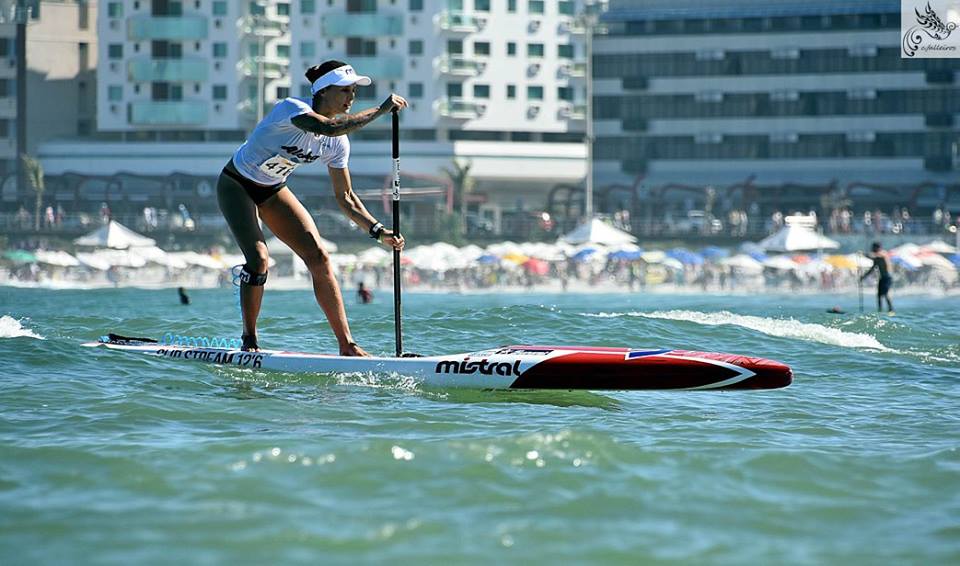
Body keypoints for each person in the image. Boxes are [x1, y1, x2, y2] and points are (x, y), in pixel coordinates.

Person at [217, 59, 406, 354]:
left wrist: (377, 230)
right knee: (259, 258)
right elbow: (328, 127)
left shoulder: (338, 144)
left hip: (272, 190)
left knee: (319, 257)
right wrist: (381, 111)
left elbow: (345, 197)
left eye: (354, 91)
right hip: (236, 184)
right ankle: (249, 340)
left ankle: (347, 345)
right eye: (345, 90)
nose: (351, 97)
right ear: (323, 91)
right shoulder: (291, 109)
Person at [860, 241, 894, 313]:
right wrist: (863, 277)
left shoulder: (883, 254)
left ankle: (891, 310)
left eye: (873, 248)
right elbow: (872, 269)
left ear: (878, 248)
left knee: (885, 294)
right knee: (878, 295)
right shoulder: (876, 259)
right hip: (882, 278)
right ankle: (880, 311)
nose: (872, 249)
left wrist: (863, 254)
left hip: (887, 277)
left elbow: (874, 256)